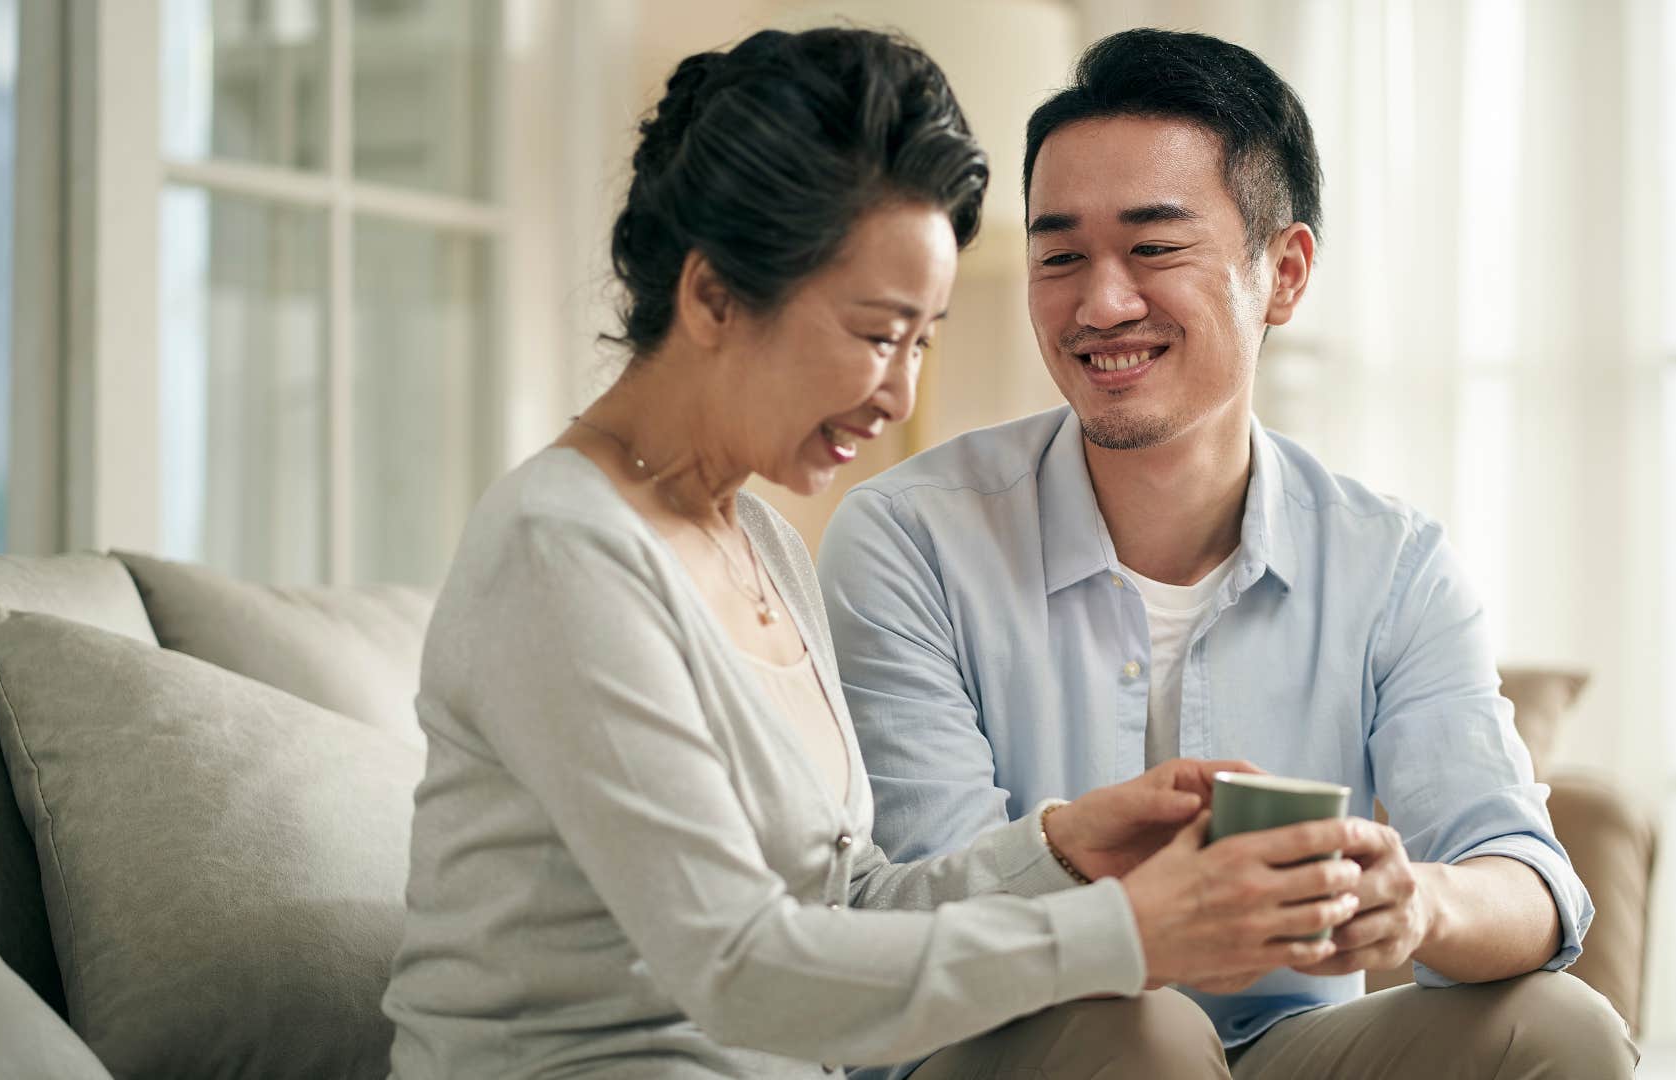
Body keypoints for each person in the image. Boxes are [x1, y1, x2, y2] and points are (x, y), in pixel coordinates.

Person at [382, 27, 1374, 1080]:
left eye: (924, 341)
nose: (900, 396)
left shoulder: (755, 536)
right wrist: (1128, 930)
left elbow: (842, 910)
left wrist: (1063, 847)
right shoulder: (561, 550)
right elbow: (741, 966)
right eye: (875, 332)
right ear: (714, 296)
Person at [817, 28, 1640, 1079]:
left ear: (1283, 273)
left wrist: (1413, 899)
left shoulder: (1392, 562)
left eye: (1153, 248)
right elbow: (924, 906)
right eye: (1060, 255)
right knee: (1144, 1034)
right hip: (1012, 1039)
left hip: (1289, 1045)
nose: (1100, 303)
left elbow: (1527, 877)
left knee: (1562, 1029)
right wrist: (1094, 866)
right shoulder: (908, 536)